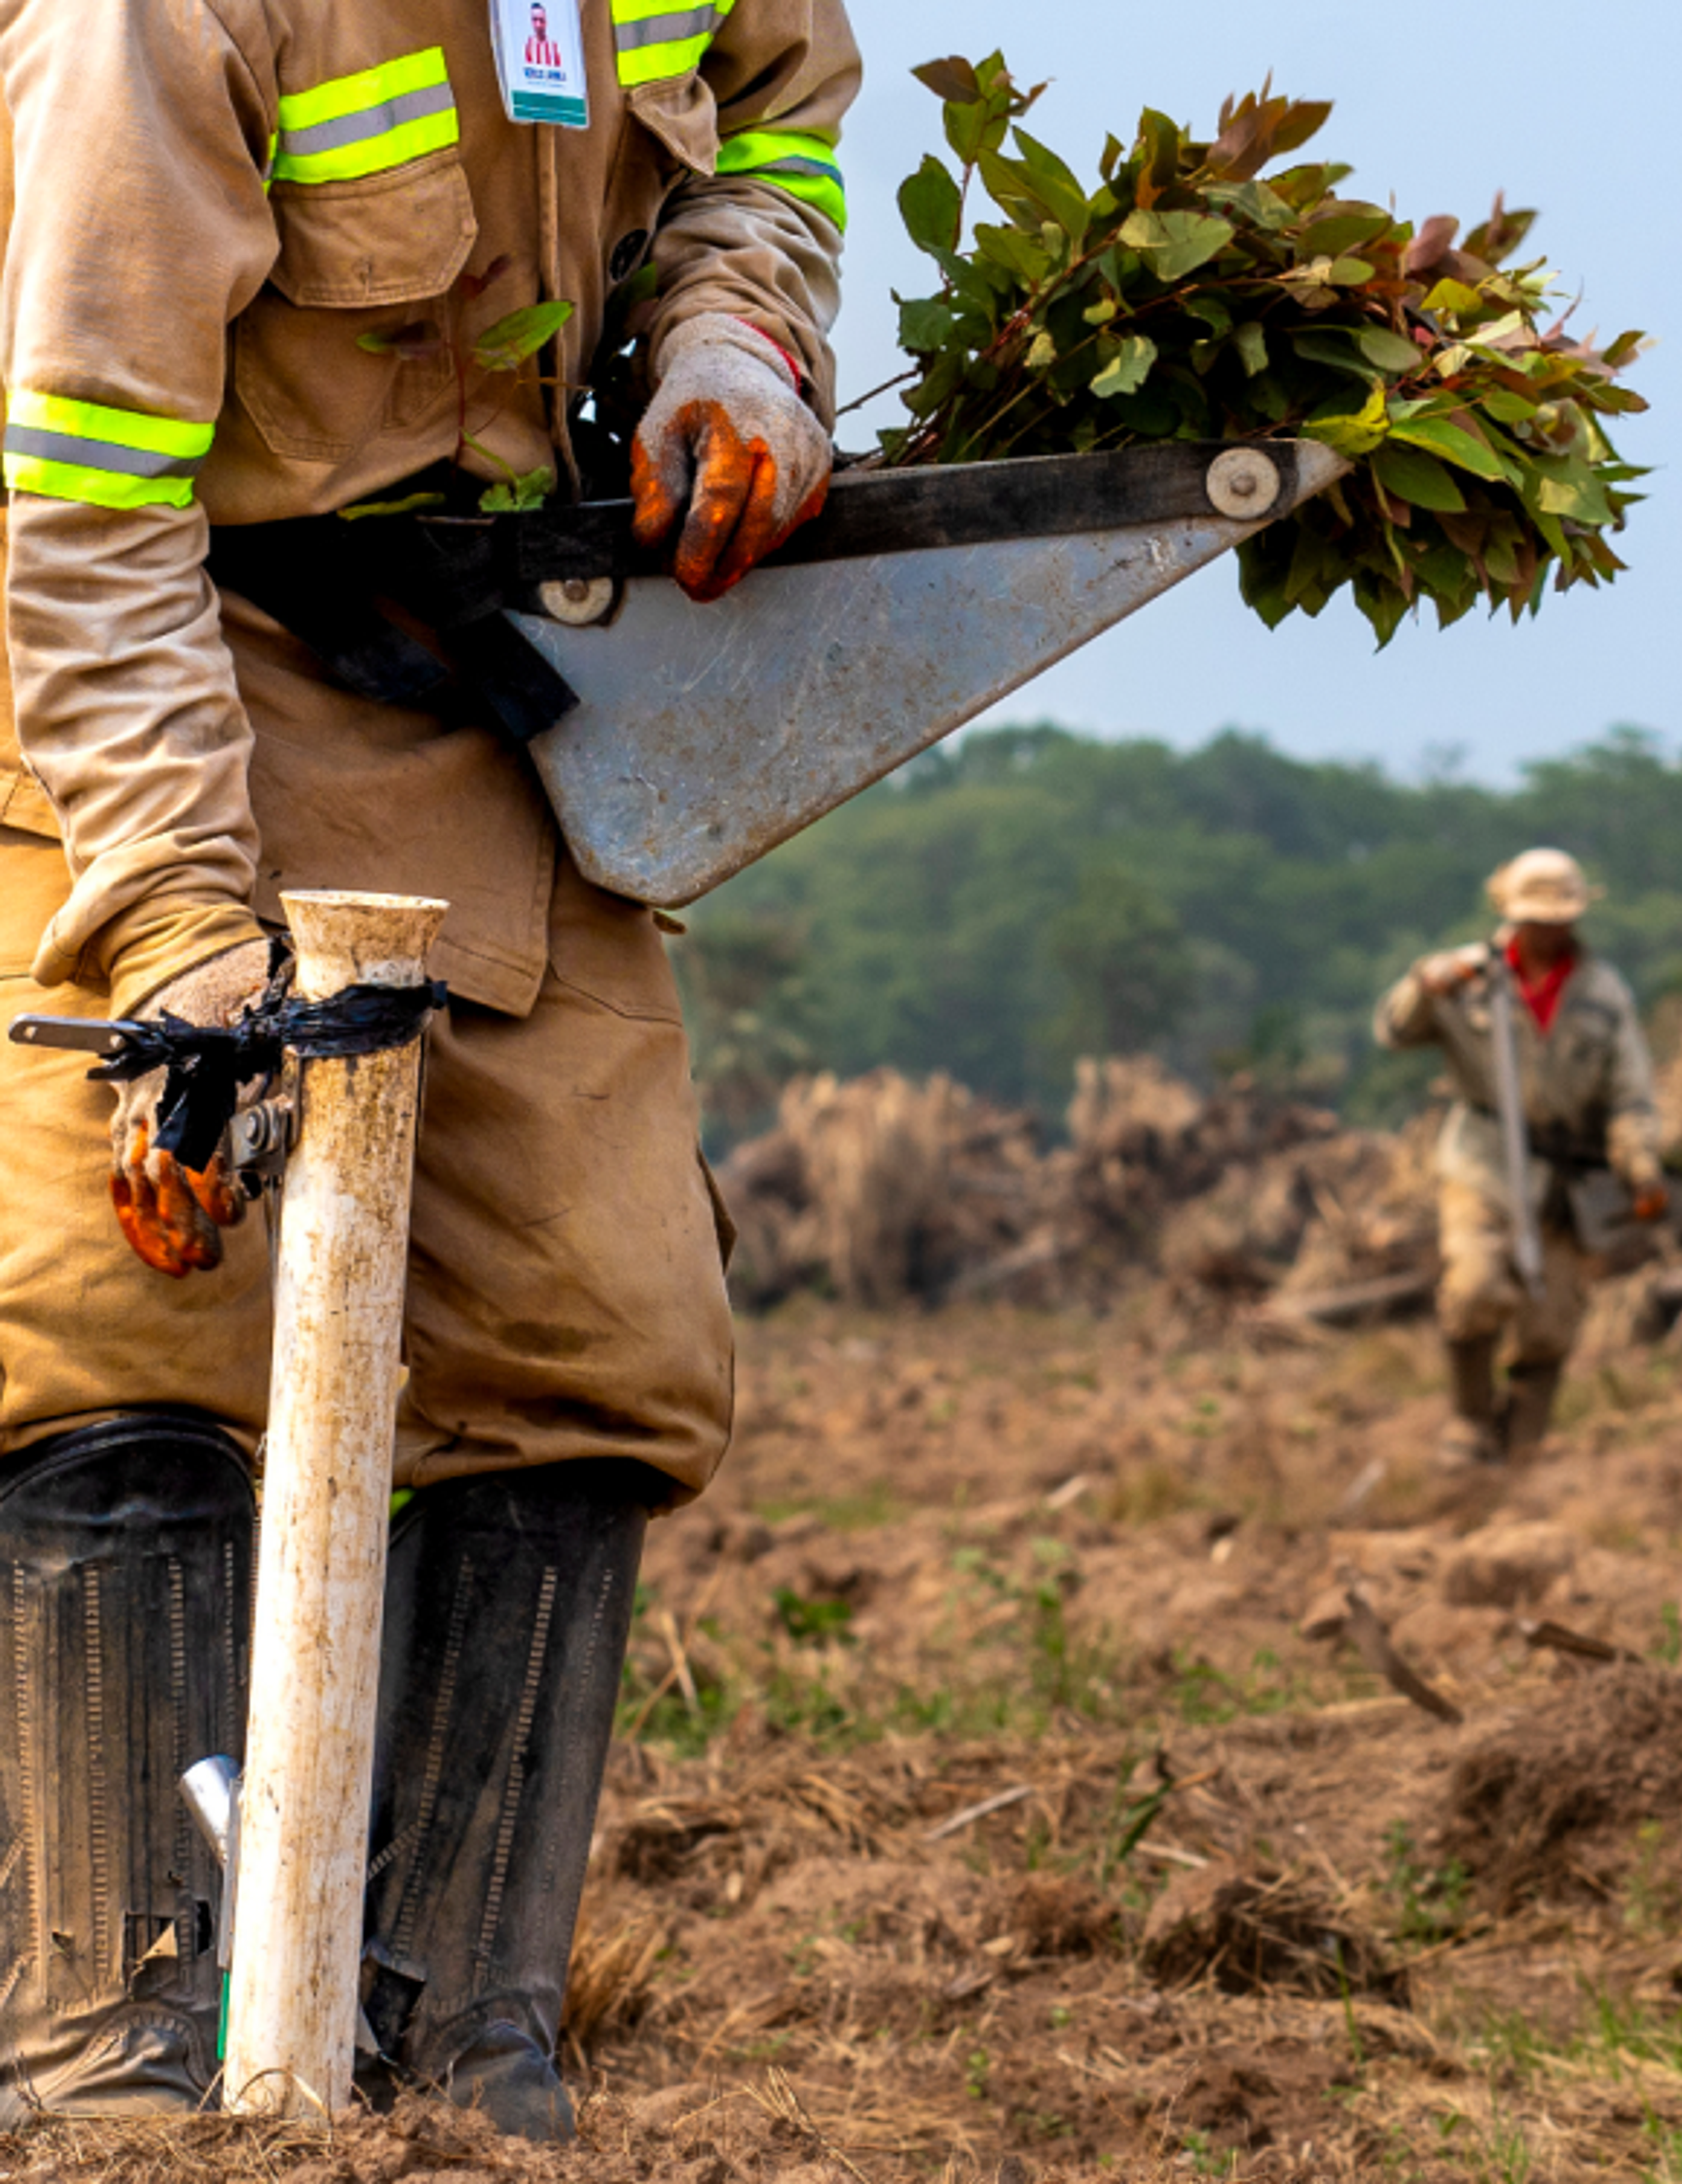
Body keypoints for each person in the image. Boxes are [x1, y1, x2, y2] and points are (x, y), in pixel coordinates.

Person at [0, 0, 857, 2138]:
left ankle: (462, 2066)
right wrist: (188, 932)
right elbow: (81, 513)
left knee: (596, 1331)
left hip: (467, 661)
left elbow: (776, 117)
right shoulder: (155, 22)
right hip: (120, 686)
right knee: (127, 1322)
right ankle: (109, 2063)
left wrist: (733, 333)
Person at [1374, 848, 1666, 1466]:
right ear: (1510, 913)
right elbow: (1395, 1033)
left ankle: (1522, 1450)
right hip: (1482, 1162)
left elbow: (1630, 1092)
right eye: (1537, 917)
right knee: (1476, 1285)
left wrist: (1640, 1167)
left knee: (1551, 1321)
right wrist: (1425, 988)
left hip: (1566, 1173)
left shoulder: (1603, 994)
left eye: (1560, 917)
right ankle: (1469, 1423)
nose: (1549, 929)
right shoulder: (1466, 977)